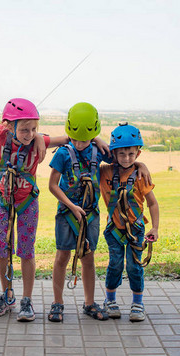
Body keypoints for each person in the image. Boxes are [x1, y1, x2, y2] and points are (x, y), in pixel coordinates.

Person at [0, 99, 70, 322]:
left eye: (34, 129)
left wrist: (94, 136)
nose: (30, 134)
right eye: (25, 129)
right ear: (9, 126)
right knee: (3, 249)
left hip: (28, 202)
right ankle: (7, 294)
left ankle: (26, 300)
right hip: (3, 201)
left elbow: (71, 138)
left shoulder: (38, 140)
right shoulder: (2, 134)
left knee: (26, 251)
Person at [47, 102, 150, 323]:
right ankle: (57, 303)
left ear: (93, 135)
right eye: (76, 139)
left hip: (90, 214)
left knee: (88, 257)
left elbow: (125, 161)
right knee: (62, 256)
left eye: (85, 139)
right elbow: (52, 185)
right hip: (67, 213)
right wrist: (71, 206)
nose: (80, 144)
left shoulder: (97, 151)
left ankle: (89, 302)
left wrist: (141, 165)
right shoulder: (63, 154)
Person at [100, 122, 159, 322]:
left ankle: (137, 303)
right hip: (114, 229)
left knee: (135, 266)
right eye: (121, 154)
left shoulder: (141, 175)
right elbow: (92, 153)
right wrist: (108, 152)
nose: (127, 159)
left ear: (138, 154)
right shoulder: (105, 172)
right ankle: (110, 300)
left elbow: (152, 203)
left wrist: (155, 227)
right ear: (114, 154)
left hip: (136, 229)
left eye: (131, 155)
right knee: (115, 264)